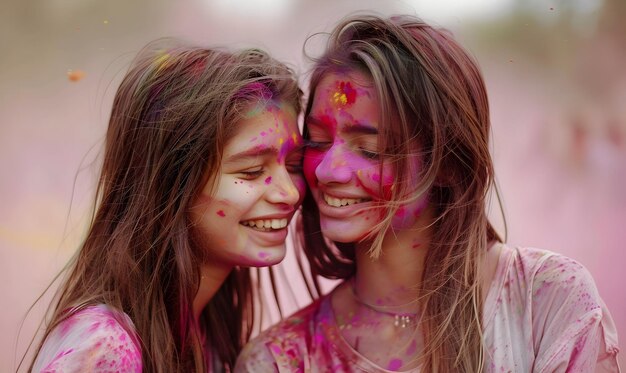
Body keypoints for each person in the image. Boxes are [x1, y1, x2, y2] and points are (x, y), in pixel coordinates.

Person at [235, 14, 620, 372]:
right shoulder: (279, 359)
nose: (326, 169)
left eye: (371, 149)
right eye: (317, 141)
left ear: (450, 165)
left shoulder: (548, 300)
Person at [26, 39, 306, 372]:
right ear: (171, 183)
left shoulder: (206, 335)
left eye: (293, 165)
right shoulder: (105, 348)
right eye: (252, 171)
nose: (289, 194)